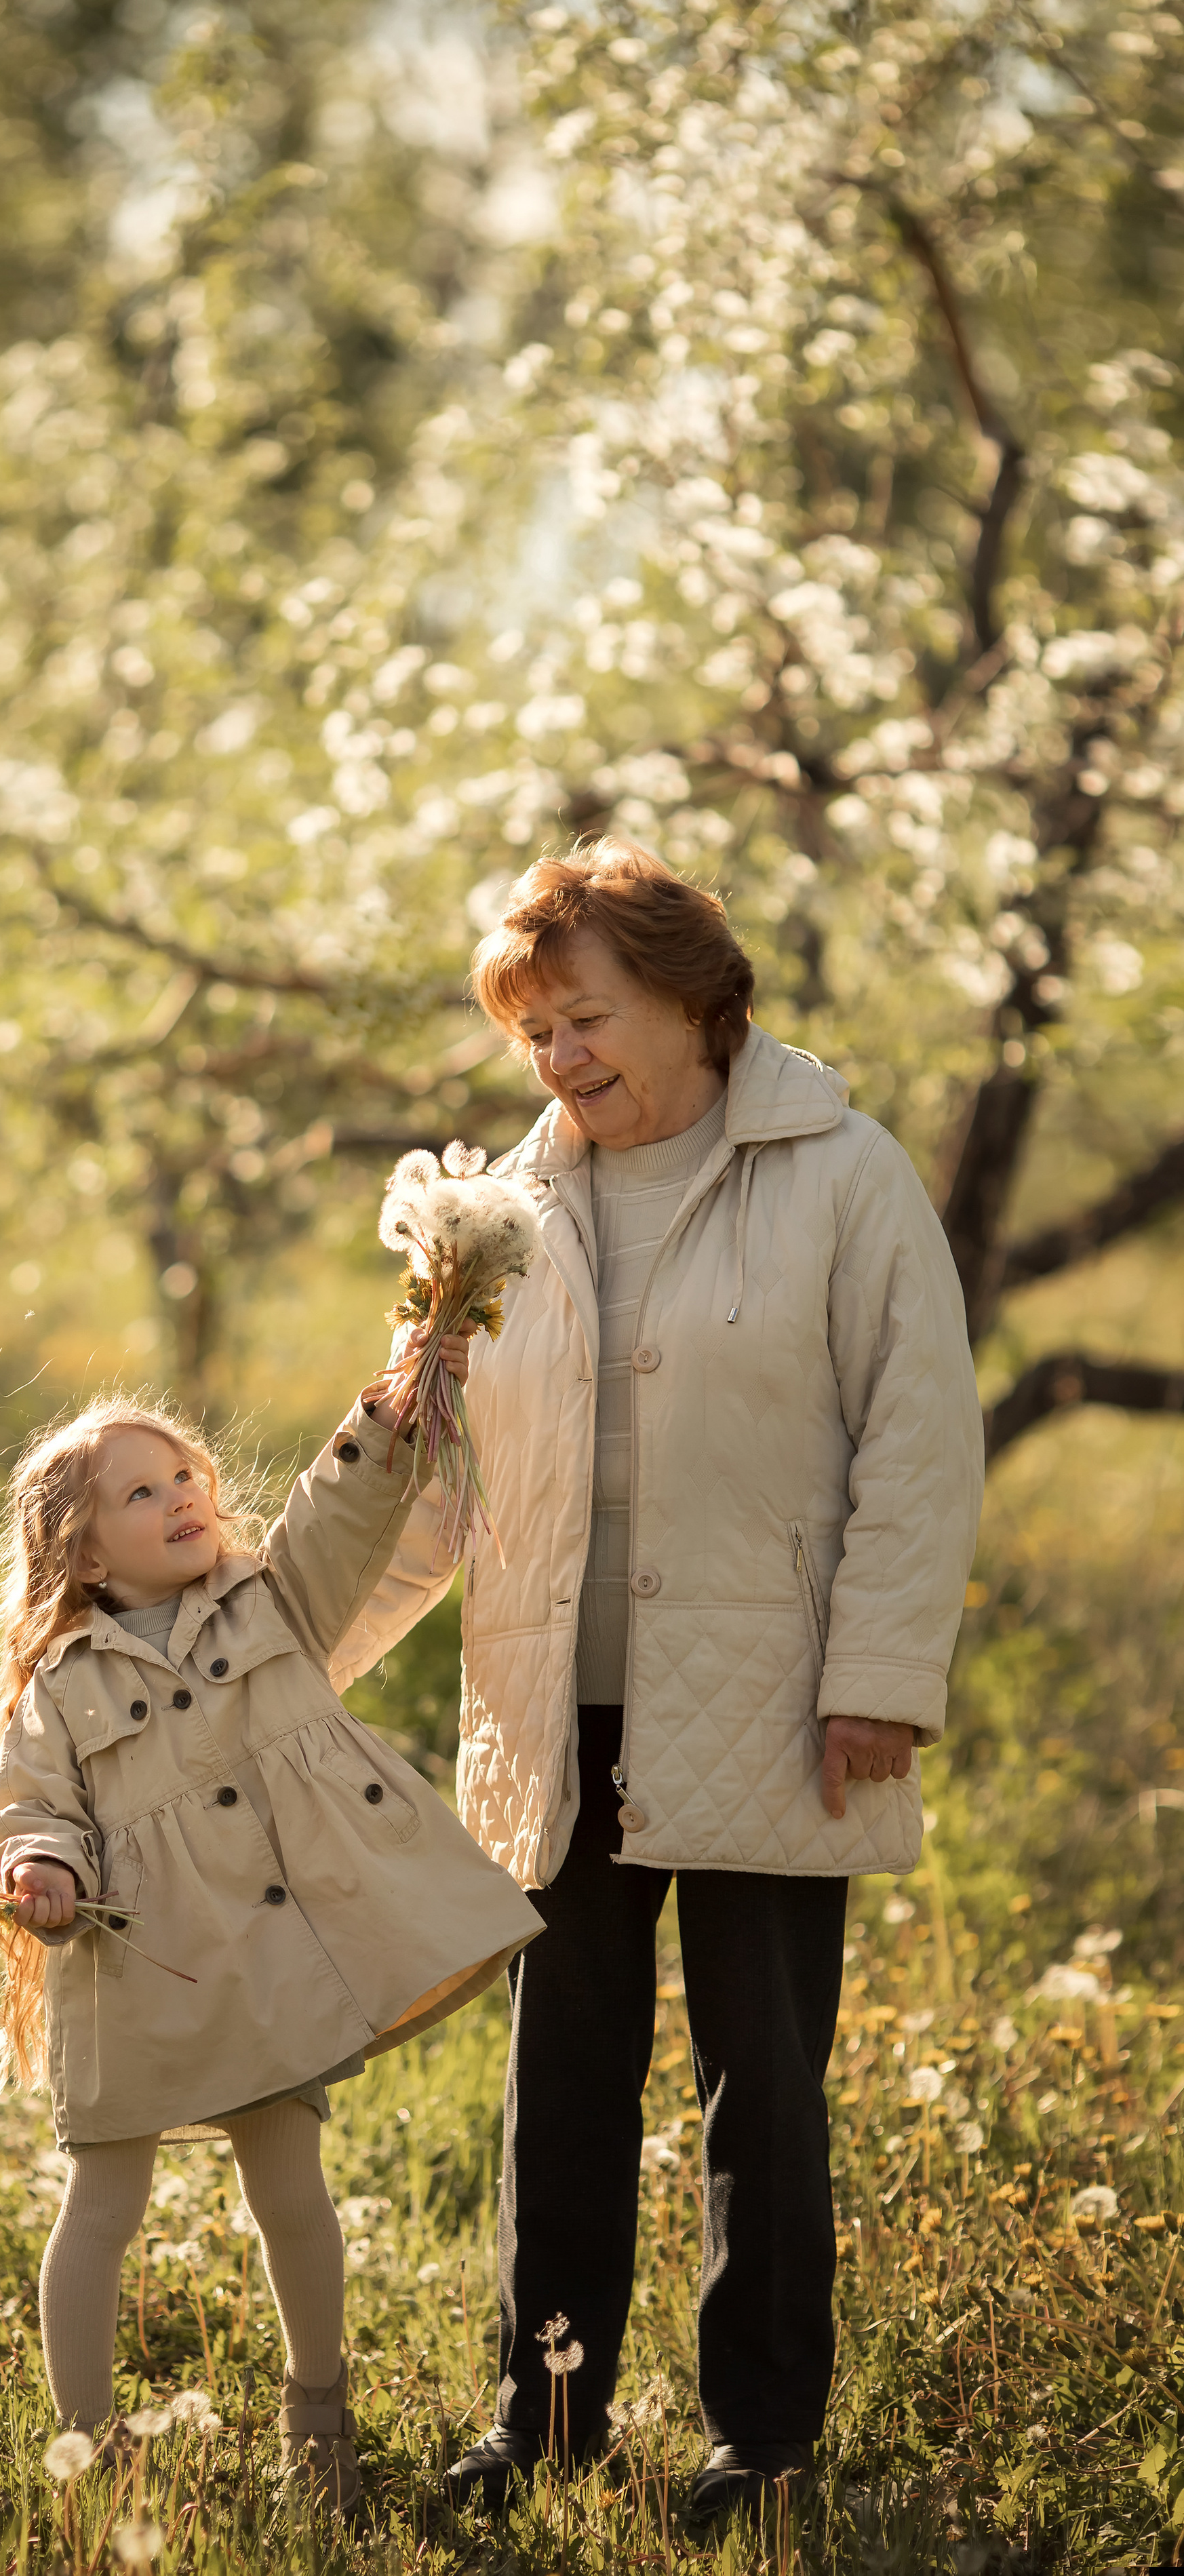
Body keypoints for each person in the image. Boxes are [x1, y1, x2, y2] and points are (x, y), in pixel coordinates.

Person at [331, 840, 984, 2524]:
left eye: (586, 1019)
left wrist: (879, 1677)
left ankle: (755, 2444)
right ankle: (539, 2422)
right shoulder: (502, 1210)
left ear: (697, 1001)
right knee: (559, 2078)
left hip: (776, 1698)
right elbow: (432, 1479)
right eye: (531, 1032)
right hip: (554, 1708)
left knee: (759, 2083)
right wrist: (287, 1660)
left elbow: (917, 1447)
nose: (558, 1060)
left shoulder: (845, 1177)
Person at [0, 1347, 542, 2514]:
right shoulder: (57, 1684)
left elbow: (337, 1517)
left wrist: (386, 1415)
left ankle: (317, 2424)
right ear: (80, 1549)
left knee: (291, 2186)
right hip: (136, 1967)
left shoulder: (271, 1598)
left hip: (264, 1955)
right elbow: (29, 1805)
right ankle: (87, 2448)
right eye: (141, 1491)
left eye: (186, 1477)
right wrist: (38, 1866)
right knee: (102, 2203)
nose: (182, 1498)